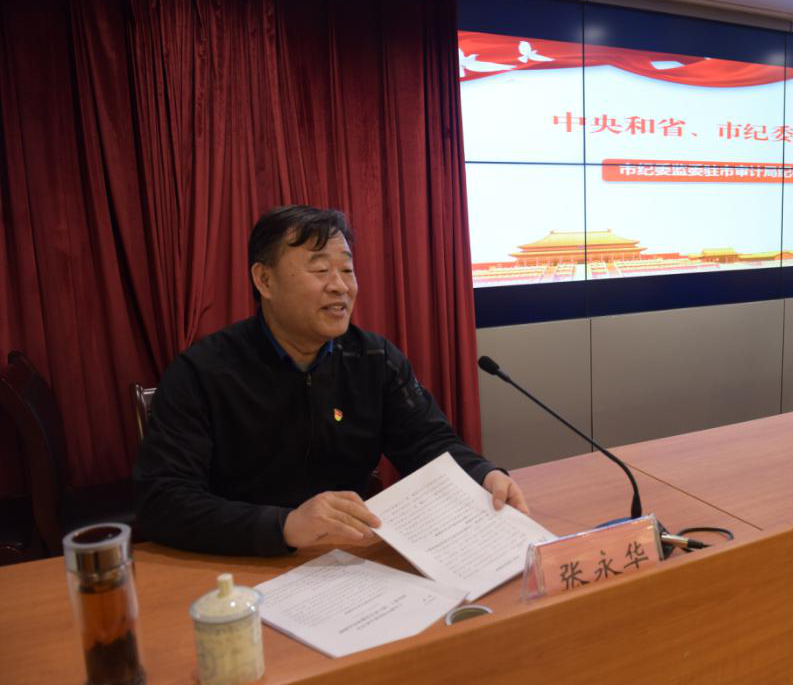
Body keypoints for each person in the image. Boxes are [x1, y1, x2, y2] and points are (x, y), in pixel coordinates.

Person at [134, 205, 528, 556]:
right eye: (321, 270)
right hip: (241, 561)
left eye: (347, 269)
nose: (340, 285)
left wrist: (482, 474)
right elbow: (163, 499)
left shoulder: (374, 358)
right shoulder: (202, 372)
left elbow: (428, 442)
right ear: (264, 280)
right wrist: (284, 525)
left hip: (352, 554)